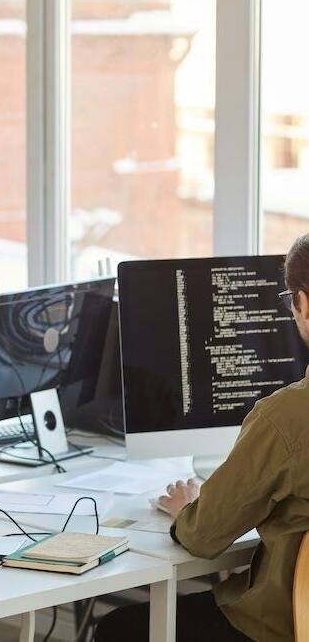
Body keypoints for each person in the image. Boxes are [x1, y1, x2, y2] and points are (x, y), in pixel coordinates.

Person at [95, 235, 309, 642]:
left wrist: (189, 509)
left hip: (283, 625)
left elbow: (204, 537)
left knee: (117, 630)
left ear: (305, 302)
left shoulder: (286, 416)